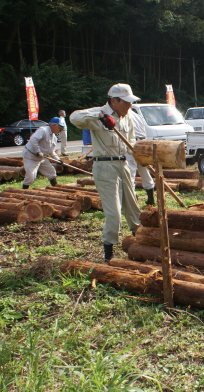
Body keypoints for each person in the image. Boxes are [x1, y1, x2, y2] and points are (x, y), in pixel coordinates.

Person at [70, 83, 142, 261]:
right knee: (114, 214)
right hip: (105, 167)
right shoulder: (98, 114)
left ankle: (141, 243)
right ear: (114, 100)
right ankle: (108, 253)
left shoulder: (127, 118)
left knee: (133, 208)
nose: (129, 106)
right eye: (125, 102)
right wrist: (102, 117)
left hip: (122, 164)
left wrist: (143, 155)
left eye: (130, 102)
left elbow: (131, 143)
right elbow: (74, 117)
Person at [22, 117, 64, 189]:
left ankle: (56, 189)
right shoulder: (43, 130)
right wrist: (38, 151)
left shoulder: (54, 138)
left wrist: (58, 160)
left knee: (51, 172)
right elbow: (33, 139)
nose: (59, 129)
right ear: (54, 125)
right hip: (31, 156)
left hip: (42, 158)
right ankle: (23, 192)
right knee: (30, 177)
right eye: (59, 127)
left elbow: (52, 152)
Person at [126, 109, 155, 204]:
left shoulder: (123, 115)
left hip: (131, 144)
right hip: (142, 143)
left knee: (130, 173)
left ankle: (132, 202)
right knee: (145, 172)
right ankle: (151, 199)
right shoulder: (137, 116)